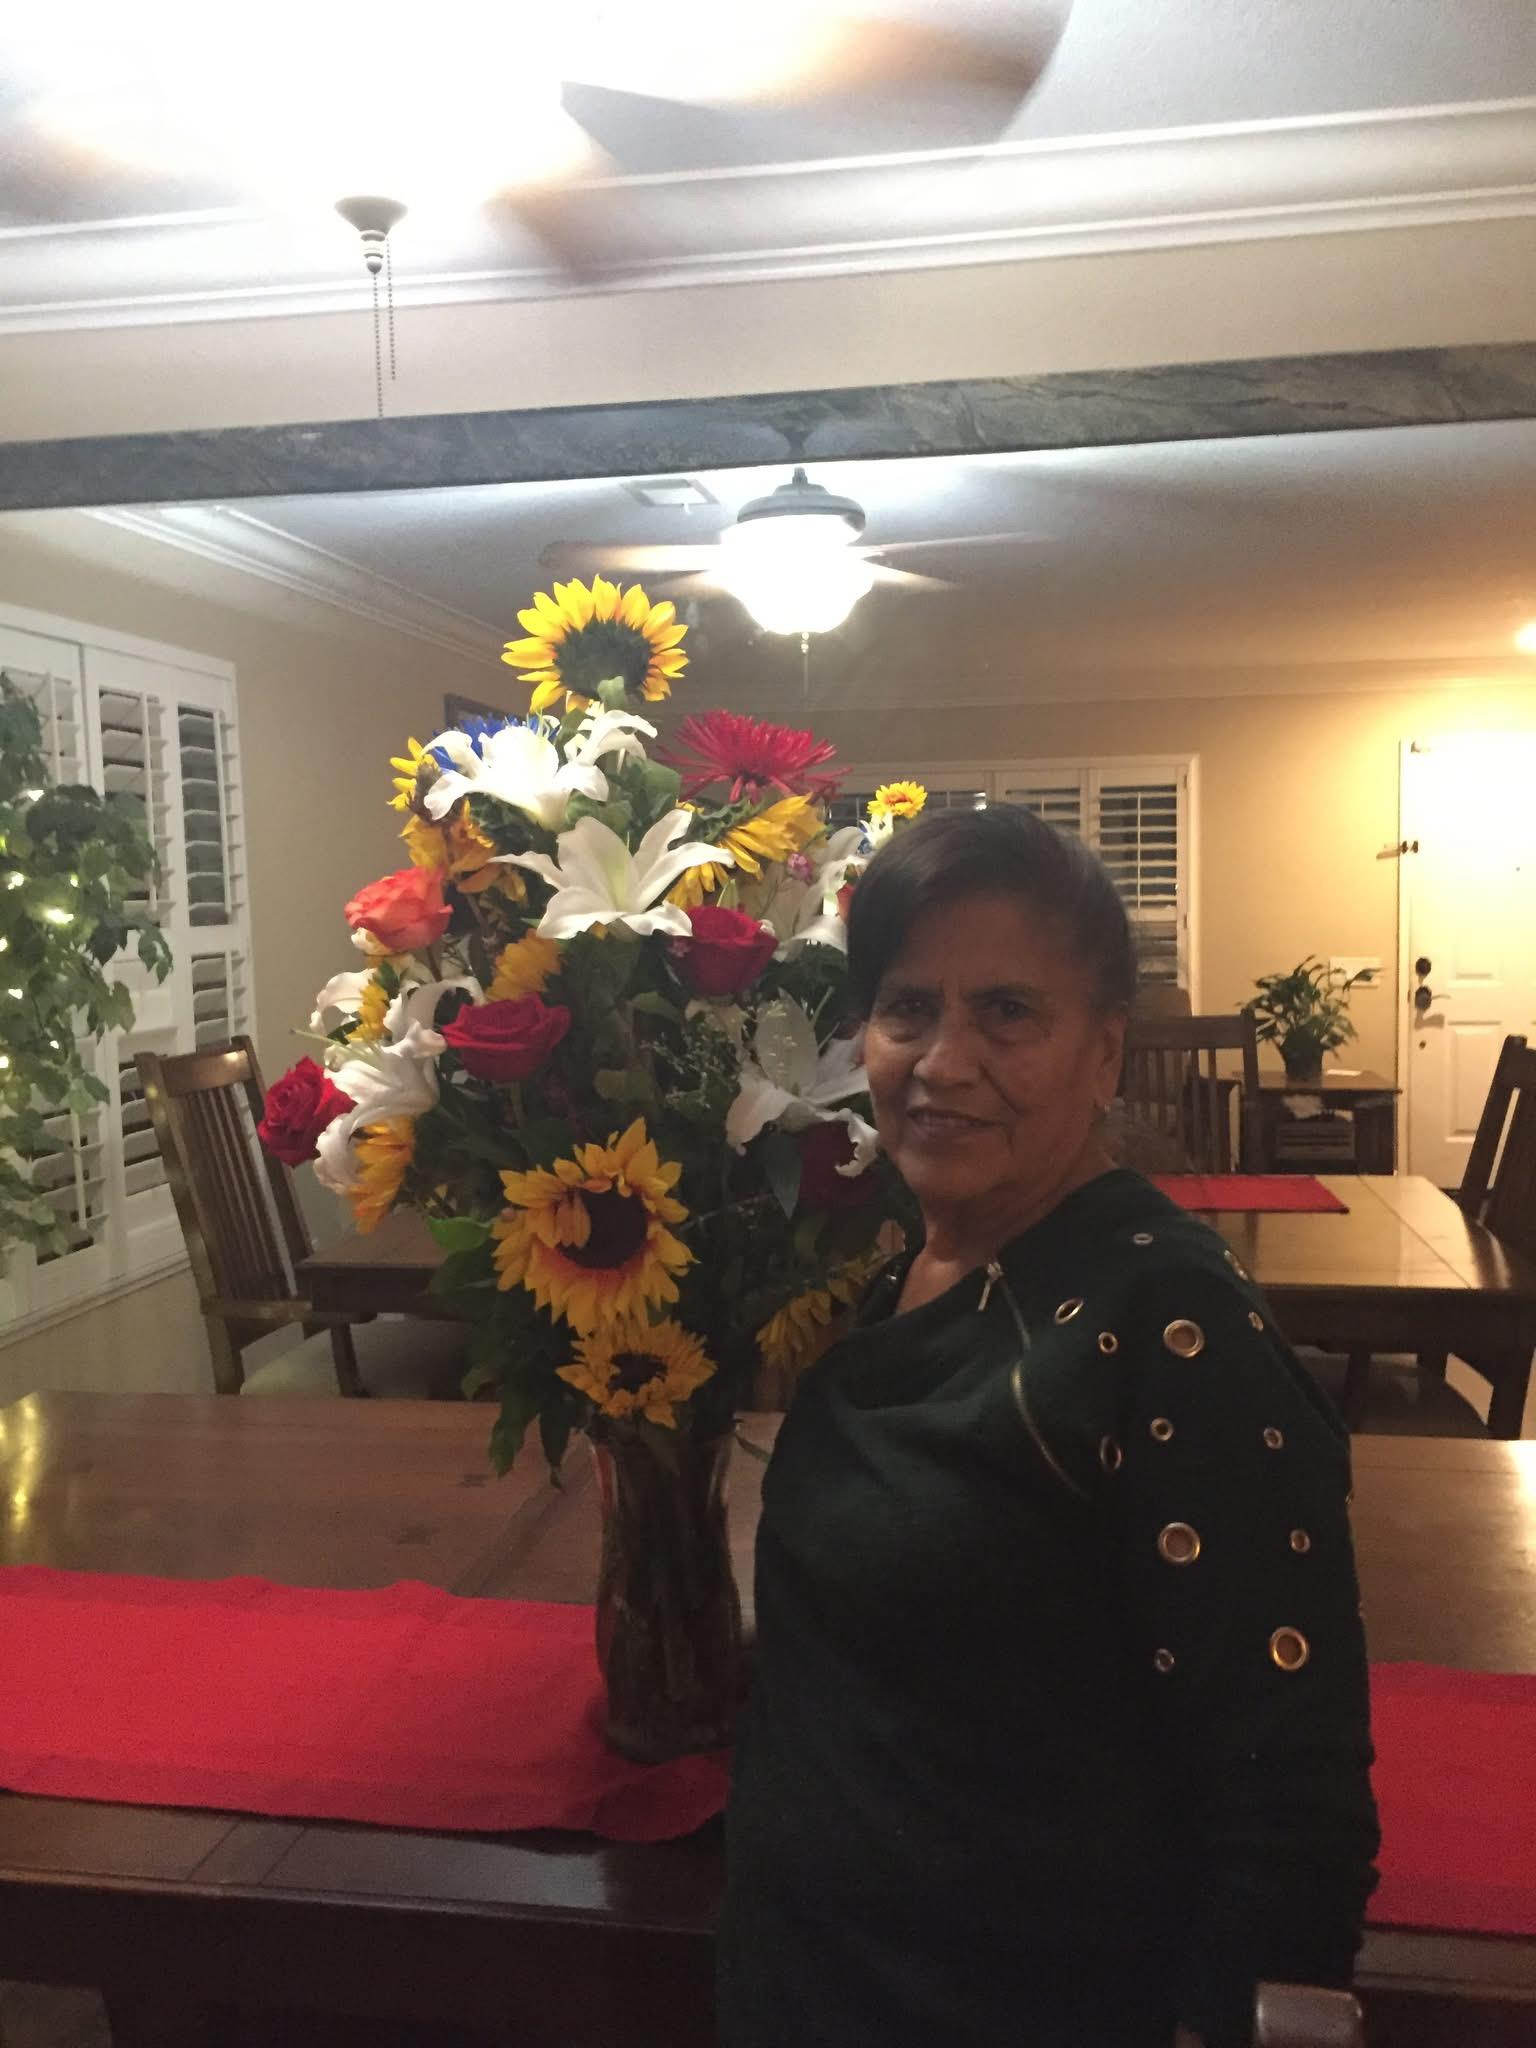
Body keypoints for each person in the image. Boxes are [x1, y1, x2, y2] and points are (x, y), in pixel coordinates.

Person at [719, 806, 1379, 2048]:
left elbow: (1284, 1782)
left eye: (1007, 1012)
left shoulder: (1174, 1322)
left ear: (1106, 1050)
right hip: (811, 1981)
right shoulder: (902, 1265)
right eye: (908, 1007)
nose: (944, 1058)